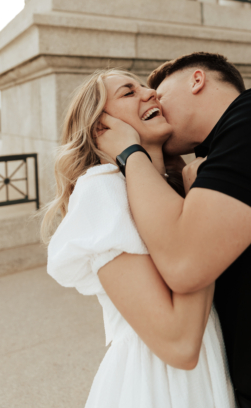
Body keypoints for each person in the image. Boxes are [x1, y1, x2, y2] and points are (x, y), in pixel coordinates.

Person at [97, 53, 251, 408]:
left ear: (196, 80)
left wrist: (130, 153)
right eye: (133, 92)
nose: (151, 98)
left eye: (157, 91)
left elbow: (187, 263)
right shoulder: (211, 155)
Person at [44, 69, 236, 408]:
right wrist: (197, 208)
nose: (152, 94)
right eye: (128, 92)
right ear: (102, 127)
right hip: (158, 385)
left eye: (145, 87)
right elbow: (179, 343)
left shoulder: (171, 185)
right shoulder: (102, 191)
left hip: (206, 373)